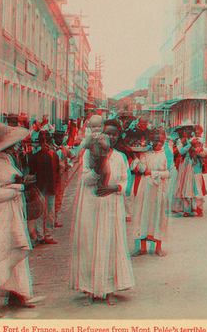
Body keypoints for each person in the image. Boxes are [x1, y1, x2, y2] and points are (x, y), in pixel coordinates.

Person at [70, 119, 134, 306]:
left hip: (111, 206)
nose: (110, 137)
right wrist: (97, 168)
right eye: (107, 132)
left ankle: (108, 290)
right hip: (91, 205)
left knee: (109, 244)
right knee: (90, 245)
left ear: (118, 135)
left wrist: (115, 188)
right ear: (100, 133)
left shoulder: (120, 157)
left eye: (114, 134)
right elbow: (84, 181)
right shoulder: (89, 154)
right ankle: (89, 290)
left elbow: (124, 179)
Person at [0, 120, 34, 318]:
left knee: (11, 253)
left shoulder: (5, 158)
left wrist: (18, 181)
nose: (15, 146)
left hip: (11, 215)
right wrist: (19, 188)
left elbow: (8, 180)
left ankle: (15, 295)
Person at [132, 130, 169, 257]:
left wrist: (154, 173)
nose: (159, 145)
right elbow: (141, 170)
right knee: (143, 214)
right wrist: (136, 157)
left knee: (157, 215)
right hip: (145, 188)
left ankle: (158, 247)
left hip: (158, 189)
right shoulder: (144, 153)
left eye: (162, 142)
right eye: (157, 142)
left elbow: (167, 172)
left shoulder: (164, 154)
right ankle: (141, 247)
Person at [28, 131, 58, 244]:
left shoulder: (43, 155)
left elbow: (49, 172)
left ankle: (44, 235)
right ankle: (43, 235)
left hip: (44, 187)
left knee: (46, 212)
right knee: (44, 212)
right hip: (44, 187)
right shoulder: (37, 155)